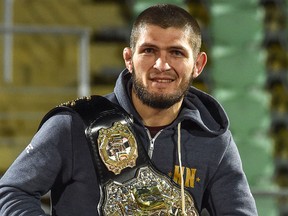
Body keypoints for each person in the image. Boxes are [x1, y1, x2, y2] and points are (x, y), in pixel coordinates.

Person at [0, 4, 258, 216]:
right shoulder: (77, 123)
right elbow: (11, 192)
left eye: (176, 53)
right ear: (128, 58)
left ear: (198, 64)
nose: (162, 65)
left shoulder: (212, 137)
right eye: (149, 50)